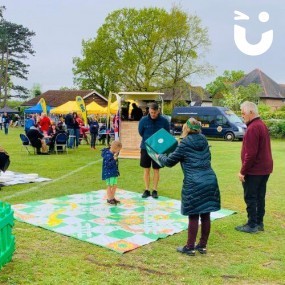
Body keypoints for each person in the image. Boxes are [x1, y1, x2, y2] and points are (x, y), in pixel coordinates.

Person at [157, 118, 221, 256]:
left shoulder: (184, 143)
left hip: (194, 182)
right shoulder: (204, 140)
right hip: (209, 179)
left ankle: (190, 247)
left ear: (187, 128)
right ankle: (202, 246)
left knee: (193, 215)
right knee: (205, 215)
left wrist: (159, 156)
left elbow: (169, 161)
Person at [236, 101, 273, 233]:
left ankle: (252, 225)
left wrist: (242, 171)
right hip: (265, 168)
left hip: (255, 170)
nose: (242, 115)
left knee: (251, 196)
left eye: (243, 113)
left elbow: (250, 154)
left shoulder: (253, 128)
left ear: (251, 112)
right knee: (259, 196)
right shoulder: (261, 125)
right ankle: (259, 223)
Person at [138, 102, 170, 199]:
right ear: (149, 111)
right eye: (151, 112)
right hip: (145, 148)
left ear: (158, 111)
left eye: (154, 113)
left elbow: (166, 134)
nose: (153, 114)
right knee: (146, 169)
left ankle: (155, 190)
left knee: (156, 170)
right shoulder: (143, 120)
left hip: (158, 149)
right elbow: (140, 132)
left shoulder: (164, 121)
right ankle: (147, 189)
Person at [101, 140, 122, 205]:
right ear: (115, 148)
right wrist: (114, 159)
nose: (119, 152)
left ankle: (112, 198)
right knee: (109, 185)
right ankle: (109, 199)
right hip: (109, 173)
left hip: (113, 172)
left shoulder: (113, 154)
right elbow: (108, 165)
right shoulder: (108, 155)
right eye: (118, 150)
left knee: (115, 185)